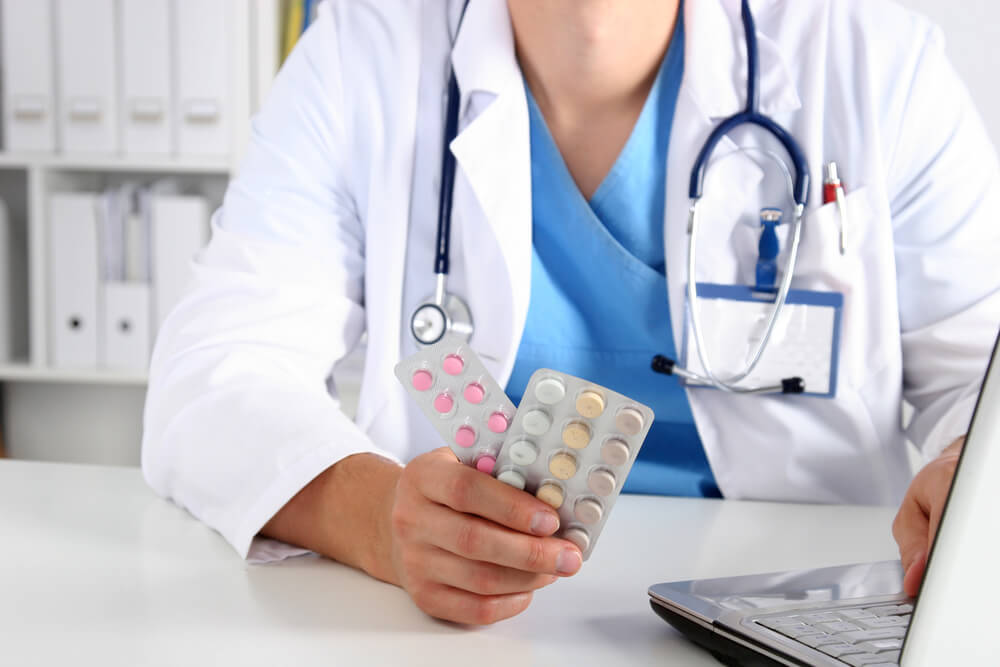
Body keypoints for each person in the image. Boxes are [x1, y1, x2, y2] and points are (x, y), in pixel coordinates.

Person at [142, 0, 1000, 625]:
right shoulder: (361, 54)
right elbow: (212, 374)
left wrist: (969, 473)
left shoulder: (875, 66)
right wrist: (379, 518)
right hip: (466, 631)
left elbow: (981, 369)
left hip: (800, 620)